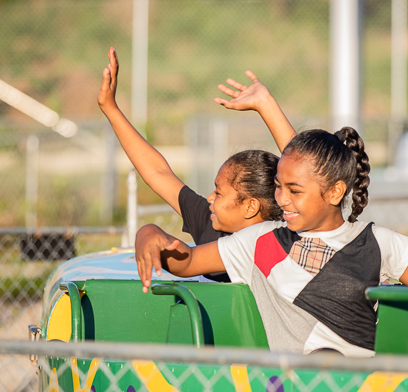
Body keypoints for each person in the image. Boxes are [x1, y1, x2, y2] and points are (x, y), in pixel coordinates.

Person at [135, 127, 408, 357]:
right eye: (278, 187)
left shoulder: (378, 241)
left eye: (294, 190)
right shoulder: (258, 240)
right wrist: (150, 233)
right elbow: (188, 262)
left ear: (336, 191)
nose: (283, 199)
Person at [97, 48, 295, 282]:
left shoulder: (288, 237)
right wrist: (110, 108)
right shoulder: (212, 224)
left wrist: (267, 105)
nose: (210, 198)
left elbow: (304, 173)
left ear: (251, 207)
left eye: (219, 192)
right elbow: (158, 173)